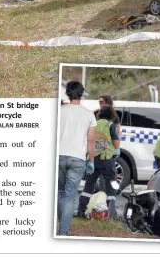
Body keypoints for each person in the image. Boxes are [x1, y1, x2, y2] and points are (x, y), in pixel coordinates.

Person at [57, 81, 96, 236]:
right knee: (69, 195)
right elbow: (91, 140)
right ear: (82, 93)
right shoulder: (89, 114)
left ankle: (63, 225)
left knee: (60, 192)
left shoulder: (60, 111)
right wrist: (91, 160)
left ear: (67, 93)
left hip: (59, 156)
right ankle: (64, 231)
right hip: (78, 159)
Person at [77, 106, 121, 218]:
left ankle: (81, 211)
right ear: (111, 114)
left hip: (93, 158)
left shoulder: (93, 125)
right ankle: (110, 215)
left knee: (89, 185)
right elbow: (116, 144)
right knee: (111, 185)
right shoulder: (110, 125)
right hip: (106, 159)